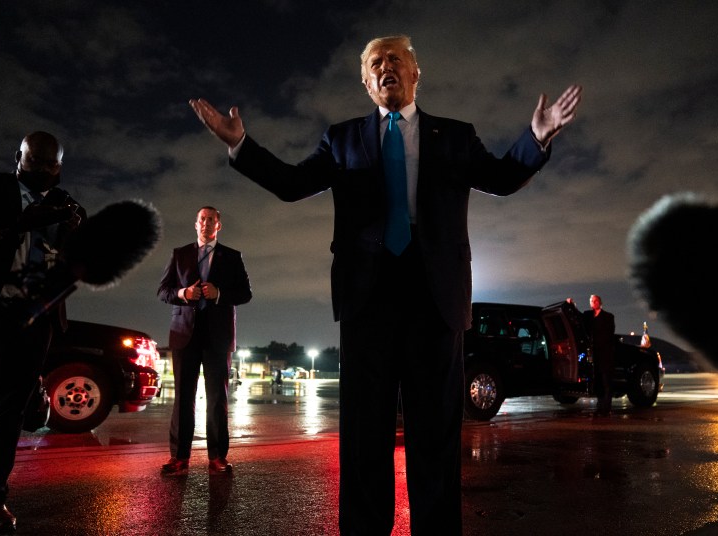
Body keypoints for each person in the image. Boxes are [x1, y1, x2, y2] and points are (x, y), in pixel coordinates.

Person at [189, 34, 582, 535]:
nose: (385, 66)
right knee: (363, 434)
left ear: (417, 72)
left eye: (395, 58)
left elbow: (503, 177)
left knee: (435, 433)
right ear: (365, 82)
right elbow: (291, 185)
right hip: (367, 297)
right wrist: (239, 145)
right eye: (374, 62)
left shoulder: (455, 135)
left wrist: (537, 138)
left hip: (435, 297)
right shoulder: (343, 138)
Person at [0, 131, 85, 532]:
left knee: (8, 413)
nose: (42, 169)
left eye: (50, 163)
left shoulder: (68, 207)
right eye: (34, 160)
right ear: (18, 157)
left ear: (59, 166)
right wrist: (17, 226)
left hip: (34, 321)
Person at [157, 207, 252, 475]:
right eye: (202, 219)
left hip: (218, 337)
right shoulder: (180, 254)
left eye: (212, 219)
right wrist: (183, 293)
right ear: (195, 224)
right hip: (184, 334)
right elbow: (163, 291)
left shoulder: (232, 256)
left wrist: (219, 293)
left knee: (217, 399)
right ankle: (179, 458)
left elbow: (245, 293)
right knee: (183, 399)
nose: (206, 223)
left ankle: (217, 458)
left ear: (218, 226)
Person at [582, 294, 616, 415]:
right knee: (598, 383)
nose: (593, 302)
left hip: (605, 354)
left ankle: (607, 407)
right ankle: (600, 406)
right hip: (594, 355)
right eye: (591, 301)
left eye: (595, 300)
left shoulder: (608, 316)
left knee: (607, 381)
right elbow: (576, 317)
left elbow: (610, 334)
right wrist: (570, 304)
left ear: (600, 302)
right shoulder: (588, 315)